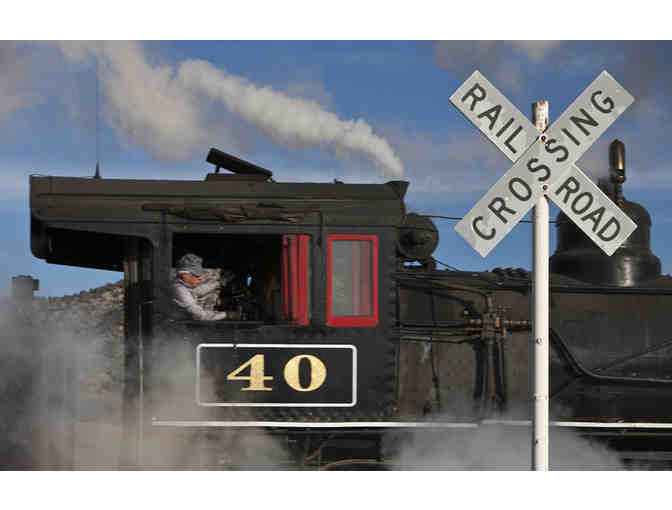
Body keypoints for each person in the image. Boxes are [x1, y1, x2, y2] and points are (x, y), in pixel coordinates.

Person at [172, 253, 237, 321]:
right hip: (177, 326)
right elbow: (201, 316)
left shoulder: (180, 286)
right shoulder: (179, 291)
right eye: (197, 275)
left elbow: (198, 291)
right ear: (185, 275)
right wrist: (228, 314)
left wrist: (220, 282)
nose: (200, 278)